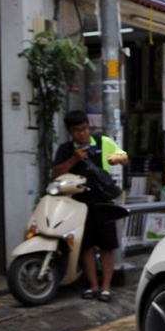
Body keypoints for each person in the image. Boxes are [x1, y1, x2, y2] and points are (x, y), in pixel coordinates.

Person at [52, 111, 128, 302]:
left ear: (88, 126)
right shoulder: (65, 149)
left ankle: (106, 287)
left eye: (84, 129)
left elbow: (124, 156)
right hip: (78, 204)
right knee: (86, 246)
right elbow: (56, 173)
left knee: (107, 245)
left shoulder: (101, 141)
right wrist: (74, 159)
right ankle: (93, 285)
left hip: (102, 201)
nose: (82, 134)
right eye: (77, 131)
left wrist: (117, 159)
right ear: (70, 132)